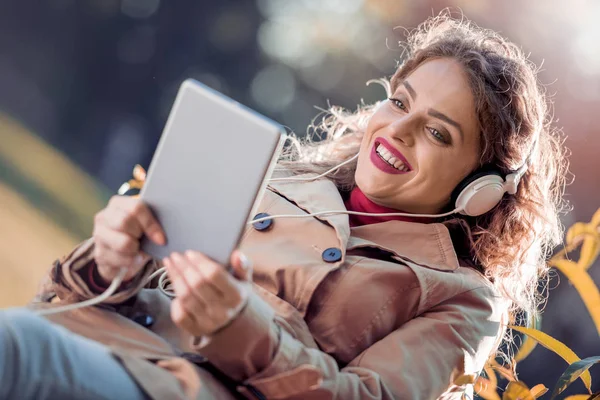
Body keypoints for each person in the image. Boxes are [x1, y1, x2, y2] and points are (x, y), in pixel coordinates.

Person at [0, 13, 567, 400]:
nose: (400, 130)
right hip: (101, 338)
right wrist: (109, 258)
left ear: (482, 188)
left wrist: (236, 328)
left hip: (179, 387)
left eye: (438, 134)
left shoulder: (463, 301)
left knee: (20, 350)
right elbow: (70, 296)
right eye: (400, 102)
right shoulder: (279, 179)